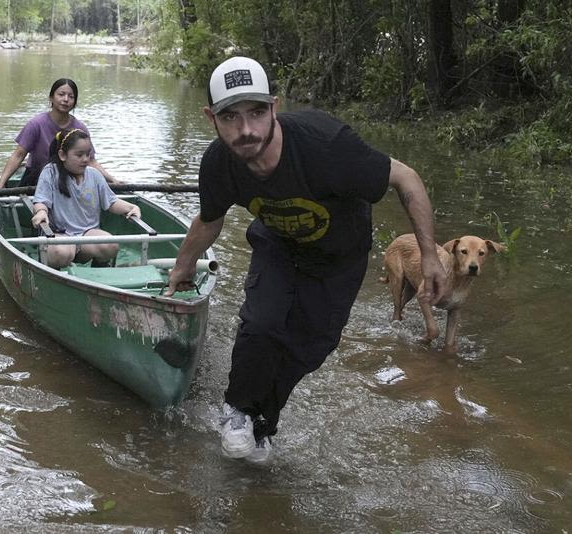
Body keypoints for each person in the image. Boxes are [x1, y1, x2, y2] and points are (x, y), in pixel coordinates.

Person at [164, 56, 447, 465]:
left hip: (339, 257)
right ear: (211, 116)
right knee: (262, 324)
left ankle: (264, 427)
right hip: (278, 244)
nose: (246, 130)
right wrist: (182, 266)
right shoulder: (219, 163)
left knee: (308, 349)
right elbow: (209, 220)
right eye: (230, 117)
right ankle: (237, 411)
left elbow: (406, 179)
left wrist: (429, 256)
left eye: (257, 113)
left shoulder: (326, 145)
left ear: (274, 107)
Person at [30, 129, 140, 269]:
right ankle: (53, 273)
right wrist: (41, 212)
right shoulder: (50, 172)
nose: (85, 159)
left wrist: (131, 207)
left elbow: (111, 202)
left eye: (88, 154)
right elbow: (41, 200)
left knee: (111, 244)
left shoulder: (94, 174)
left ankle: (99, 272)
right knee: (60, 252)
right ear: (62, 155)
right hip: (59, 234)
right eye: (79, 155)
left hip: (87, 233)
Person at [0, 78, 118, 189]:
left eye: (71, 96)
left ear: (75, 102)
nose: (66, 99)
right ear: (51, 97)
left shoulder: (80, 128)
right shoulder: (36, 124)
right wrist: (2, 182)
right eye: (61, 94)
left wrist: (112, 180)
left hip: (69, 179)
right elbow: (18, 155)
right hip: (36, 178)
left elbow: (90, 161)